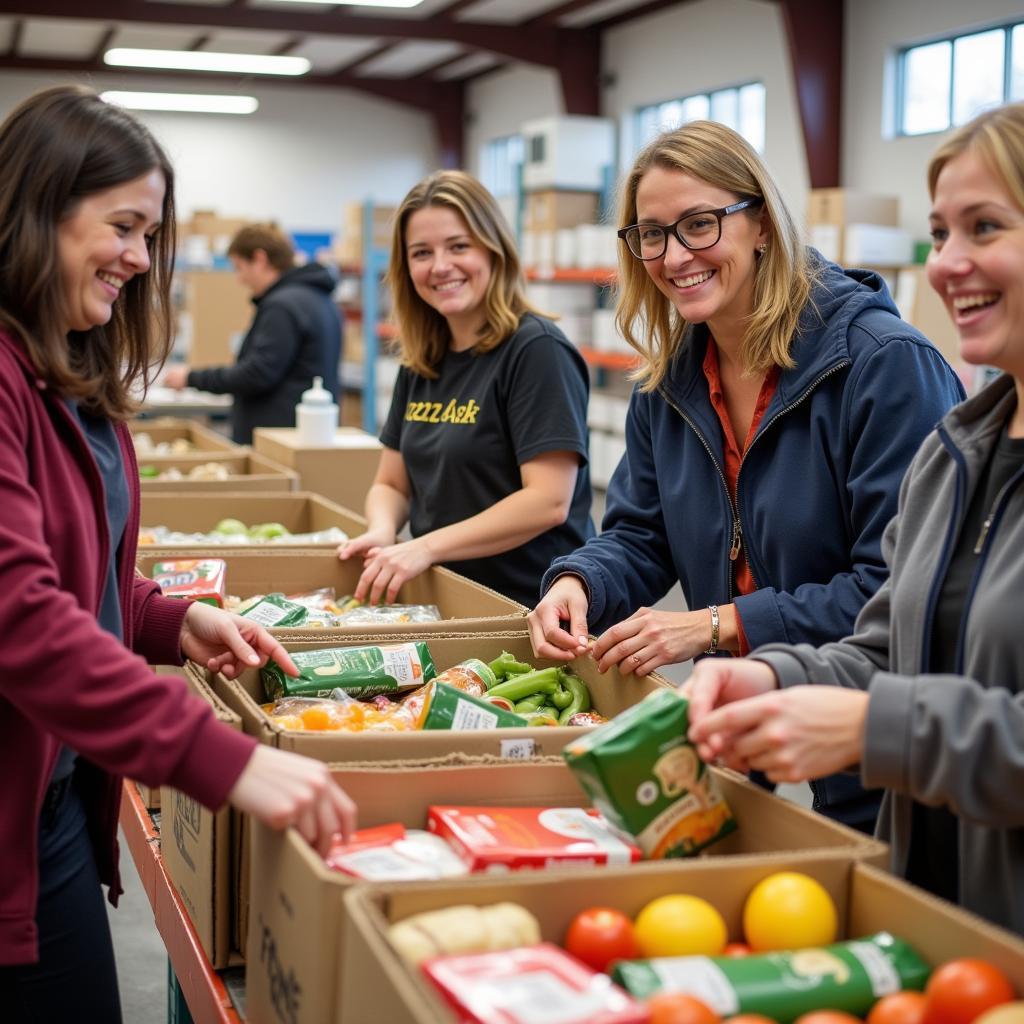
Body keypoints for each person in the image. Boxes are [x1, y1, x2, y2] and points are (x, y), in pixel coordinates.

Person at [0, 85, 356, 1021]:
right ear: (38, 211)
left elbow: (81, 569)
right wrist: (217, 756)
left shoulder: (63, 367)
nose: (138, 257)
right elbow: (20, 615)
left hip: (55, 802)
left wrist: (168, 616)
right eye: (121, 225)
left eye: (150, 232)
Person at [529, 119, 964, 833]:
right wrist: (578, 581)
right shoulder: (669, 382)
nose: (674, 256)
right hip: (744, 727)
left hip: (874, 756)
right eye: (652, 234)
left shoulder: (881, 366)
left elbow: (900, 589)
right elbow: (642, 535)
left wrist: (716, 626)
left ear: (760, 222)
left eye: (700, 224)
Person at [686, 101, 1024, 933]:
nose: (949, 263)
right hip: (942, 924)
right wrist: (776, 675)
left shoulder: (888, 368)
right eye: (941, 232)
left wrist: (881, 727)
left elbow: (901, 700)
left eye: (985, 227)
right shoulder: (956, 455)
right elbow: (889, 646)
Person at [338, 170, 594, 608]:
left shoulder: (536, 350)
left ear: (493, 250)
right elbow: (392, 484)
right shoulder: (423, 358)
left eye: (459, 246)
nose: (440, 266)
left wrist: (425, 546)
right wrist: (382, 530)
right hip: (447, 595)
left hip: (532, 607)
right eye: (422, 253)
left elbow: (548, 500)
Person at [164, 222, 342, 444]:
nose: (240, 279)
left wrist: (191, 378)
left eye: (239, 267)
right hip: (303, 435)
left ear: (259, 259)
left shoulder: (282, 306)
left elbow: (256, 374)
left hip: (274, 440)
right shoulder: (320, 299)